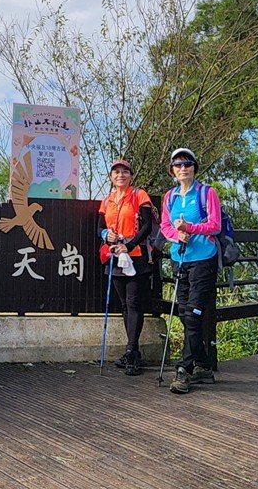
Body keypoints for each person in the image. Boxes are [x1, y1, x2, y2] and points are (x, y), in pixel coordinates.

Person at [160, 147, 222, 394]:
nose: (183, 168)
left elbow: (215, 225)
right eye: (177, 165)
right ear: (172, 170)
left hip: (203, 260)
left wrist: (190, 228)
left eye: (187, 164)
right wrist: (177, 234)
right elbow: (165, 226)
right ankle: (204, 367)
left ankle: (184, 371)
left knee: (193, 315)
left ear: (195, 167)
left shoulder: (207, 193)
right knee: (186, 314)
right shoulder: (170, 196)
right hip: (180, 259)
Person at [99, 157, 154, 376]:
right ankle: (133, 350)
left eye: (125, 172)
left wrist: (128, 245)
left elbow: (148, 225)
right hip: (115, 256)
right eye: (116, 172)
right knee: (124, 304)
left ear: (130, 175)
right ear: (111, 177)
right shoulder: (107, 200)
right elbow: (99, 228)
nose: (120, 175)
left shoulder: (139, 195)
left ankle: (131, 350)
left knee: (133, 302)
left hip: (136, 256)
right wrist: (106, 235)